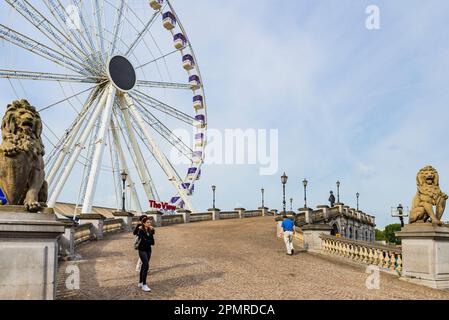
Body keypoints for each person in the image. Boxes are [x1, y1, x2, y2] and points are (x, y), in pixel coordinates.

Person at [136, 217, 155, 292]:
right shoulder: (140, 230)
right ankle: (144, 284)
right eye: (147, 222)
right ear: (143, 223)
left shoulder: (150, 230)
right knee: (146, 265)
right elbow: (143, 240)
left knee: (144, 266)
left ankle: (140, 282)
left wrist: (147, 240)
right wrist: (148, 240)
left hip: (149, 250)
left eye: (149, 222)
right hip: (142, 250)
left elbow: (153, 242)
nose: (149, 223)